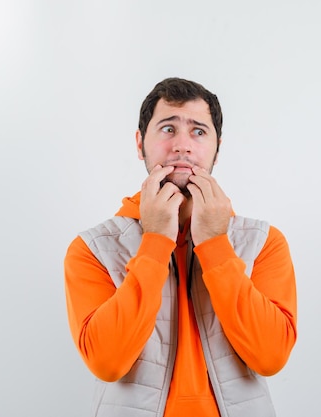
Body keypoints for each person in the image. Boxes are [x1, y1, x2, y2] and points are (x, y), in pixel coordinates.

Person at [64, 77, 297, 417]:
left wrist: (216, 244)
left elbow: (270, 357)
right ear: (140, 142)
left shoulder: (264, 243)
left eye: (199, 131)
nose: (183, 146)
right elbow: (107, 363)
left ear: (218, 147)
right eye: (168, 129)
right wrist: (156, 240)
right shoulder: (92, 249)